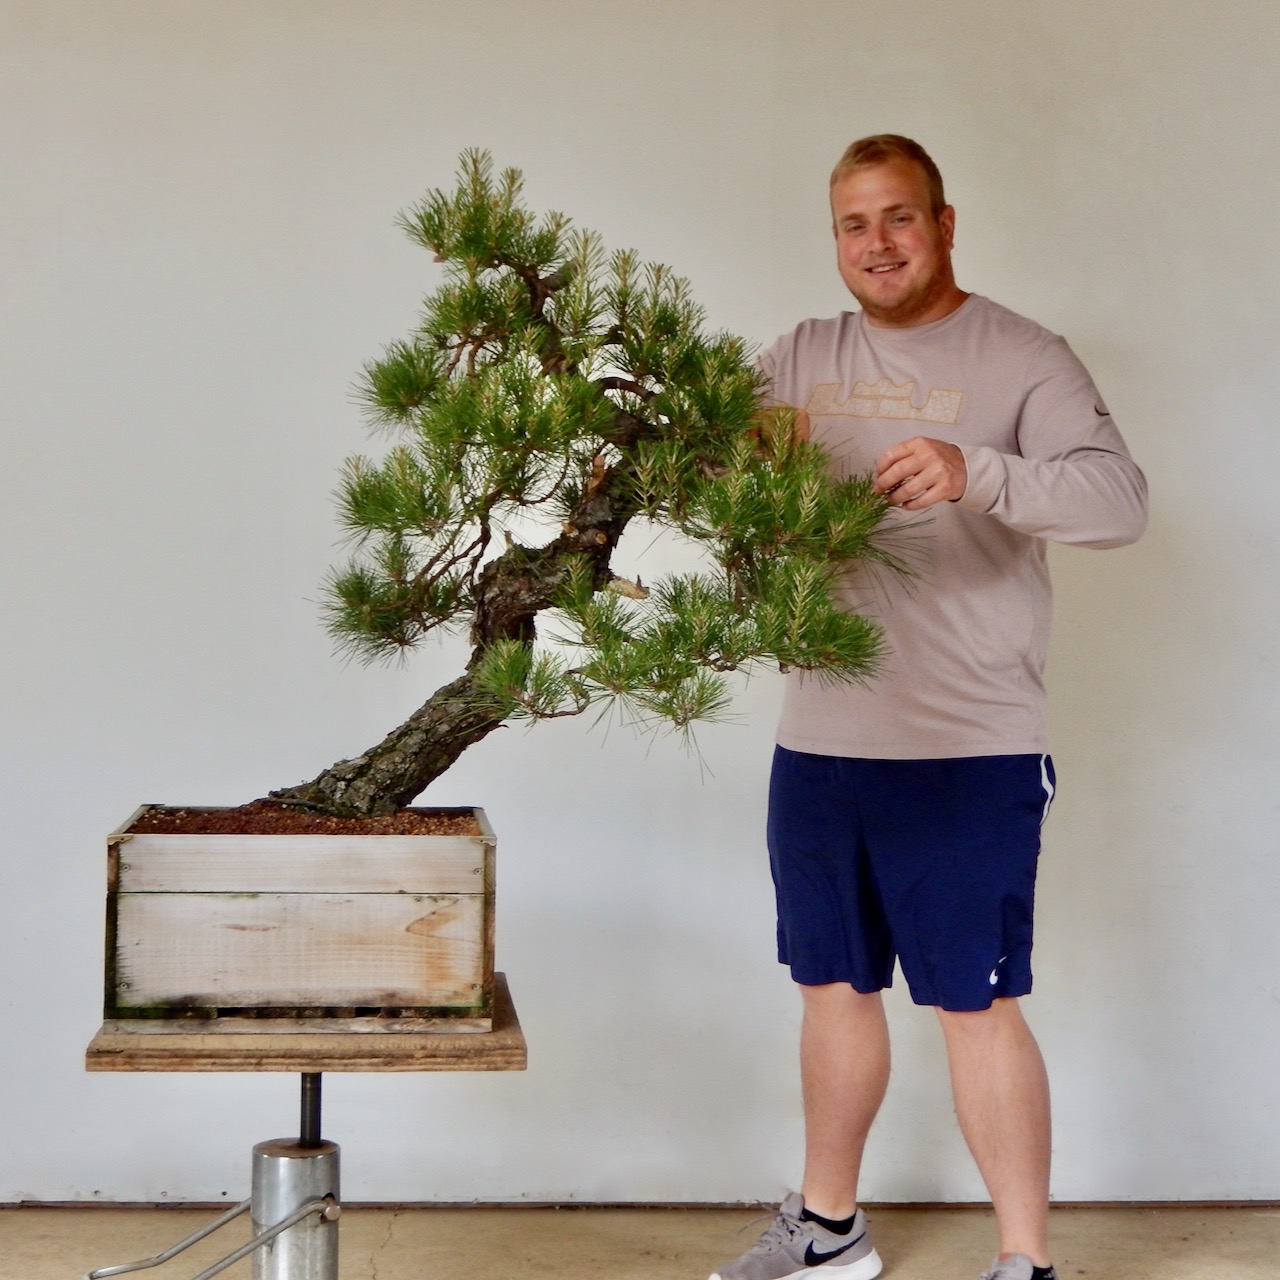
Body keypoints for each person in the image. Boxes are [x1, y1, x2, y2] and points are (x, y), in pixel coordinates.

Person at [708, 136, 1147, 1280]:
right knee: (830, 987)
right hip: (820, 737)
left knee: (973, 999)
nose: (875, 244)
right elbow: (708, 470)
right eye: (853, 224)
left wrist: (976, 472)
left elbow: (1117, 502)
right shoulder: (799, 354)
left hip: (965, 743)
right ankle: (826, 1227)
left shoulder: (1020, 354)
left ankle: (1022, 1259)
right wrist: (734, 468)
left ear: (945, 224)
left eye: (898, 218)